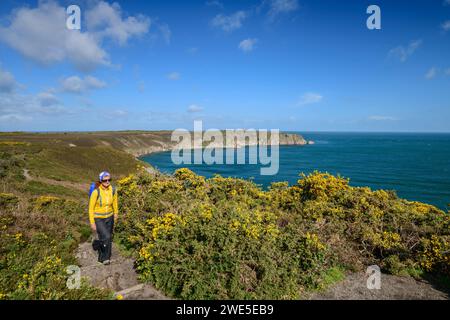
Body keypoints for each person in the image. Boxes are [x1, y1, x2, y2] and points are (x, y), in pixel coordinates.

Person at [88, 171, 118, 265]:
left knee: (105, 237)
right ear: (101, 181)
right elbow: (90, 208)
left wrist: (116, 213)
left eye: (109, 180)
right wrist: (92, 222)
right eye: (105, 180)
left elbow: (115, 203)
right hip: (98, 218)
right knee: (107, 236)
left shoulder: (113, 190)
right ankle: (106, 258)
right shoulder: (96, 192)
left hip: (110, 216)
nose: (107, 182)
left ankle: (101, 256)